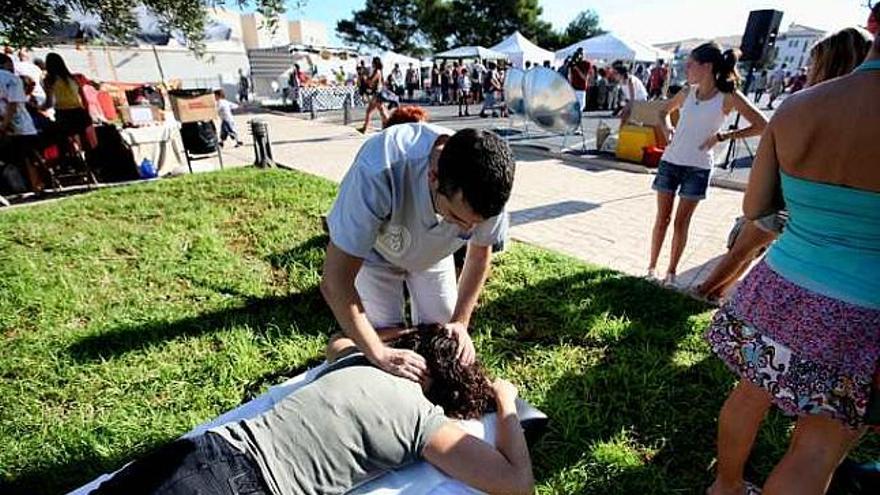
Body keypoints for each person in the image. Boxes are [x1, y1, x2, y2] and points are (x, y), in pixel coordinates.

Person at [705, 15, 880, 494]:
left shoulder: (799, 106)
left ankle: (725, 486)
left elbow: (757, 208)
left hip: (780, 285)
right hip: (864, 311)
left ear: (873, 22)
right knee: (819, 443)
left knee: (749, 394)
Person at [92, 325, 534, 495]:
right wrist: (506, 400)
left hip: (208, 449)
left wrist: (388, 344)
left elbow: (339, 339)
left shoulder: (359, 359)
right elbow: (517, 484)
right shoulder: (424, 421)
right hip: (250, 487)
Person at [321, 125, 515, 382]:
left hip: (434, 255)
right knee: (379, 346)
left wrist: (460, 322)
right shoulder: (378, 170)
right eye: (457, 217)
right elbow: (335, 282)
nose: (468, 230)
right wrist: (380, 354)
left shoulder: (488, 187)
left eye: (477, 223)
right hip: (376, 253)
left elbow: (480, 254)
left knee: (445, 344)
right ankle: (343, 342)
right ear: (433, 177)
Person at [694, 26, 872, 303]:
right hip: (861, 292)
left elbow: (755, 207)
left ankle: (705, 291)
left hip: (788, 269)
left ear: (827, 65)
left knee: (744, 247)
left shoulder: (799, 111)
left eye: (813, 64)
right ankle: (713, 291)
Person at [647, 43, 767, 286]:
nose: (686, 68)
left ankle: (671, 273)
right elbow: (662, 112)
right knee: (663, 219)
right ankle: (651, 268)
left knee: (681, 223)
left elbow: (762, 124)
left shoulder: (728, 97)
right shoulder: (687, 92)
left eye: (690, 64)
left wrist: (723, 136)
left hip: (698, 168)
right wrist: (667, 127)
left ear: (707, 66)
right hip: (670, 162)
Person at [0, 54, 41, 191]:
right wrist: (5, 125)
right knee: (29, 157)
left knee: (12, 158)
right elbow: (13, 104)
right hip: (21, 125)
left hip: (5, 124)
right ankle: (37, 186)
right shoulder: (12, 80)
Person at [41, 52, 90, 144]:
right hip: (79, 111)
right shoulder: (73, 78)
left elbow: (49, 102)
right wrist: (86, 111)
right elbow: (84, 98)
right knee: (86, 141)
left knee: (68, 141)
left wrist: (39, 107)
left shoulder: (49, 80)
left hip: (63, 113)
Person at [358, 57, 399, 134]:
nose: (372, 63)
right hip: (377, 93)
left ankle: (389, 126)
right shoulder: (378, 71)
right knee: (378, 111)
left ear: (375, 63)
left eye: (373, 62)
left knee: (377, 111)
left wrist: (364, 77)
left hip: (376, 94)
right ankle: (368, 128)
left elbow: (370, 81)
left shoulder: (377, 72)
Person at [568, 47, 592, 112]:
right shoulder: (573, 63)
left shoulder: (587, 64)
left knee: (581, 106)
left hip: (581, 88)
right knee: (577, 106)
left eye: (581, 53)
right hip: (575, 88)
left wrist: (576, 68)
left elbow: (584, 77)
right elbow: (570, 76)